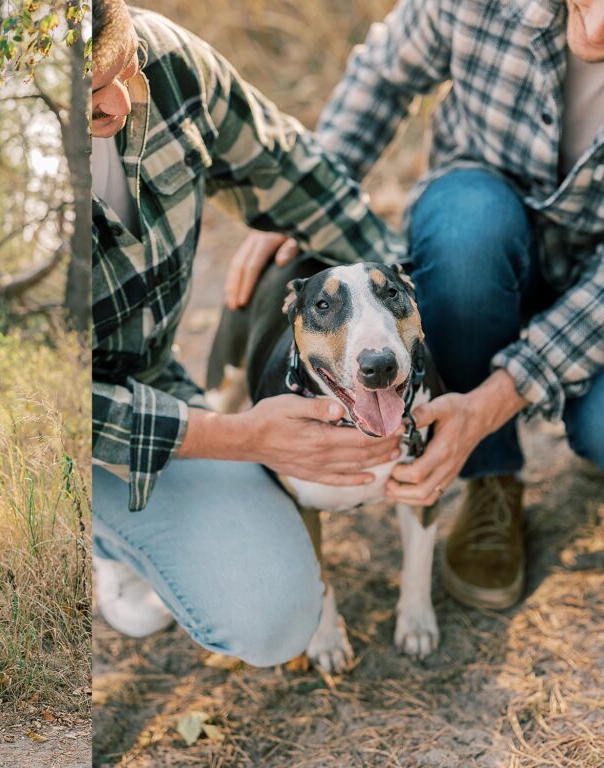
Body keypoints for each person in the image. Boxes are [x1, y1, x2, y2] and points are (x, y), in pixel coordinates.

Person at [225, 0, 604, 610]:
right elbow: (383, 75)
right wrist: (302, 201)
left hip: (593, 292)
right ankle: (490, 479)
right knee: (466, 221)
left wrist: (493, 401)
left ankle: (510, 425)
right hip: (472, 248)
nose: (598, 27)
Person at [91, 0, 406, 664]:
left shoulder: (166, 60)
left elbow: (299, 177)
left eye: (122, 66)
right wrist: (237, 435)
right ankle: (98, 537)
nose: (118, 101)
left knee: (275, 618)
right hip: (70, 434)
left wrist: (397, 305)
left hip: (158, 386)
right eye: (88, 97)